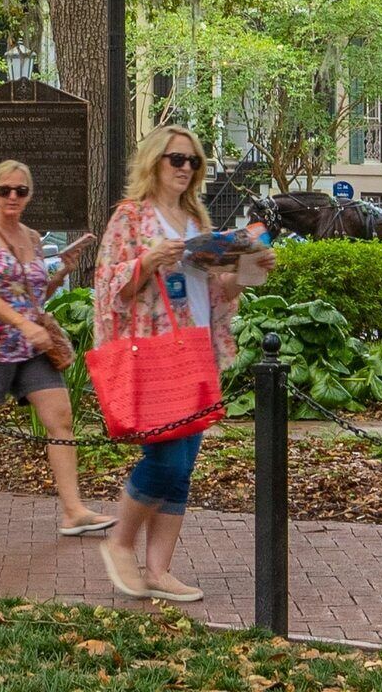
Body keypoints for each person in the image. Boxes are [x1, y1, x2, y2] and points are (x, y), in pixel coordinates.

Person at [92, 124, 258, 605]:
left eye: (194, 161)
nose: (186, 168)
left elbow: (217, 292)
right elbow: (107, 286)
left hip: (197, 349)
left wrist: (245, 273)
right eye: (177, 159)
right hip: (155, 352)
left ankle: (159, 570)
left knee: (183, 465)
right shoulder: (130, 217)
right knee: (164, 458)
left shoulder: (195, 219)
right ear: (154, 162)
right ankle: (119, 542)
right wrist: (147, 262)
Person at [0, 159, 111, 539]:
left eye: (20, 190)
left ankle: (74, 511)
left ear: (29, 194)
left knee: (60, 417)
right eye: (5, 190)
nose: (12, 196)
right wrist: (24, 325)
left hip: (30, 346)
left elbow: (32, 295)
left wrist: (62, 272)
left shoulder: (32, 238)